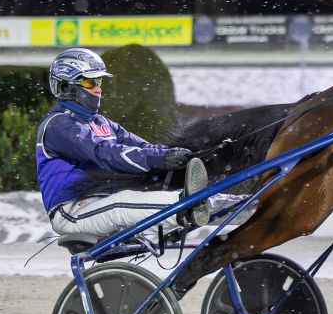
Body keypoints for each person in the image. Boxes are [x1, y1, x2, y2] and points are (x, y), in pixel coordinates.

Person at [36, 47, 210, 239]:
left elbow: (143, 147)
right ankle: (188, 205)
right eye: (90, 81)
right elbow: (103, 152)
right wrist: (158, 159)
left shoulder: (101, 123)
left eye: (99, 81)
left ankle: (227, 201)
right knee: (121, 204)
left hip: (102, 202)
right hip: (71, 211)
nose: (98, 88)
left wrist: (174, 154)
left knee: (133, 197)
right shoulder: (58, 124)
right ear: (67, 87)